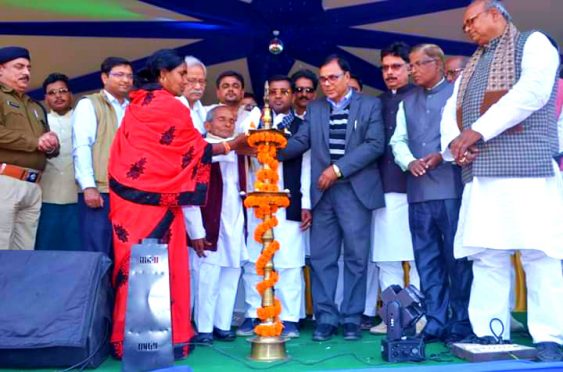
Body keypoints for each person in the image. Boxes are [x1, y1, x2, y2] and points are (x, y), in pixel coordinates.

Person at [441, 0, 563, 361]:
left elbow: (531, 93)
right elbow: (451, 112)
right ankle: (491, 334)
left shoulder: (533, 43)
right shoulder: (469, 67)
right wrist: (454, 143)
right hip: (481, 177)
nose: (468, 30)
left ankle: (549, 338)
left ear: (497, 14)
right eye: (464, 27)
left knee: (539, 255)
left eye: (471, 22)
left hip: (528, 171)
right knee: (487, 257)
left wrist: (475, 132)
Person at [108, 49, 248, 359]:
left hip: (130, 202)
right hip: (154, 203)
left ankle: (127, 342)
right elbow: (194, 153)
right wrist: (233, 145)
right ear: (163, 75)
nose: (185, 81)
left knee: (132, 268)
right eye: (182, 74)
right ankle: (167, 340)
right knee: (163, 268)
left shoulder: (137, 103)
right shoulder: (171, 107)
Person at [279, 55, 385, 341]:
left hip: (355, 191)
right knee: (322, 259)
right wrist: (267, 146)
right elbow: (301, 142)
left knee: (355, 258)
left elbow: (375, 144)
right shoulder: (315, 109)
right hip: (323, 195)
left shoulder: (370, 104)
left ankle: (351, 318)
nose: (326, 84)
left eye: (332, 78)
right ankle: (325, 318)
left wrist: (337, 169)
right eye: (323, 79)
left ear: (347, 77)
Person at [390, 44, 472, 344]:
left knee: (458, 260)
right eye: (410, 65)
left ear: (436, 64)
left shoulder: (457, 95)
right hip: (418, 193)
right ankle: (436, 320)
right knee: (427, 261)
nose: (411, 70)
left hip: (452, 189)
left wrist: (442, 154)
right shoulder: (406, 102)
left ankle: (461, 321)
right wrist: (408, 160)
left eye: (416, 64)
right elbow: (397, 140)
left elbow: (467, 134)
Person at [239, 75, 311, 339]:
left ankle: (290, 317)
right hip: (256, 202)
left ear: (292, 96)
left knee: (289, 261)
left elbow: (307, 166)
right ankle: (253, 312)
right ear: (266, 96)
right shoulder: (252, 125)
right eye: (273, 92)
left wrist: (306, 204)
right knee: (253, 259)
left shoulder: (302, 126)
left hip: (287, 201)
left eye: (284, 92)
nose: (278, 96)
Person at [183, 105, 248, 345]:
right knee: (207, 278)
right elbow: (189, 196)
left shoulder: (241, 151)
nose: (228, 124)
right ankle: (203, 328)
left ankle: (223, 325)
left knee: (231, 275)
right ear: (208, 125)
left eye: (232, 120)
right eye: (222, 119)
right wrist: (195, 231)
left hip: (234, 223)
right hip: (208, 226)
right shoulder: (200, 151)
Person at [370, 42, 422, 335]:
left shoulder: (420, 98)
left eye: (396, 67)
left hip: (418, 188)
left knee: (417, 255)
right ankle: (392, 315)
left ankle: (417, 314)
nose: (390, 73)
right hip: (384, 188)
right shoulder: (374, 103)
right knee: (387, 255)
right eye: (385, 68)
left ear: (410, 68)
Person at [72, 56, 133, 257]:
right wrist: (88, 187)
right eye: (119, 75)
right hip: (100, 191)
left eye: (129, 76)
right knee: (97, 253)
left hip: (129, 192)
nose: (125, 80)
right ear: (104, 78)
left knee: (125, 251)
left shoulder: (134, 108)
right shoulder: (89, 104)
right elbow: (81, 146)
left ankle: (119, 291)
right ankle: (97, 290)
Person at [0, 46, 60, 251]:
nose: (26, 72)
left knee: (25, 253)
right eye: (18, 67)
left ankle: (17, 285)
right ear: (1, 70)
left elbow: (45, 142)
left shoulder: (36, 105)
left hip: (33, 185)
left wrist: (52, 144)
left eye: (28, 67)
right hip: (5, 181)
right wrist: (36, 142)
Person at [35, 73, 80, 251]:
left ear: (71, 95)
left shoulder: (84, 117)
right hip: (46, 195)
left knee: (76, 247)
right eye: (52, 93)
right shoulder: (39, 120)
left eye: (62, 91)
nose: (58, 96)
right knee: (46, 246)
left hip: (79, 195)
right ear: (45, 98)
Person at [178, 55, 207, 135]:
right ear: (180, 80)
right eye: (192, 80)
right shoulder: (172, 107)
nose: (198, 87)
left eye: (201, 81)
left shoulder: (205, 112)